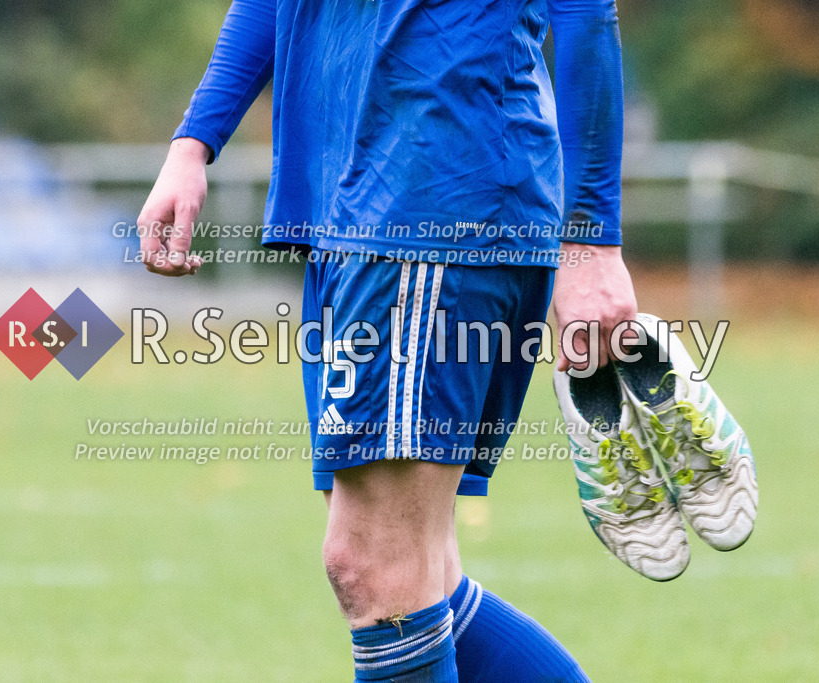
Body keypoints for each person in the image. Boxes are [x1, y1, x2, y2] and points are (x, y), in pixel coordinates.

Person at [137, 0, 634, 678]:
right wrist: (194, 142)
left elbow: (586, 10)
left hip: (432, 202)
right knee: (411, 572)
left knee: (374, 568)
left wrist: (592, 238)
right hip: (347, 214)